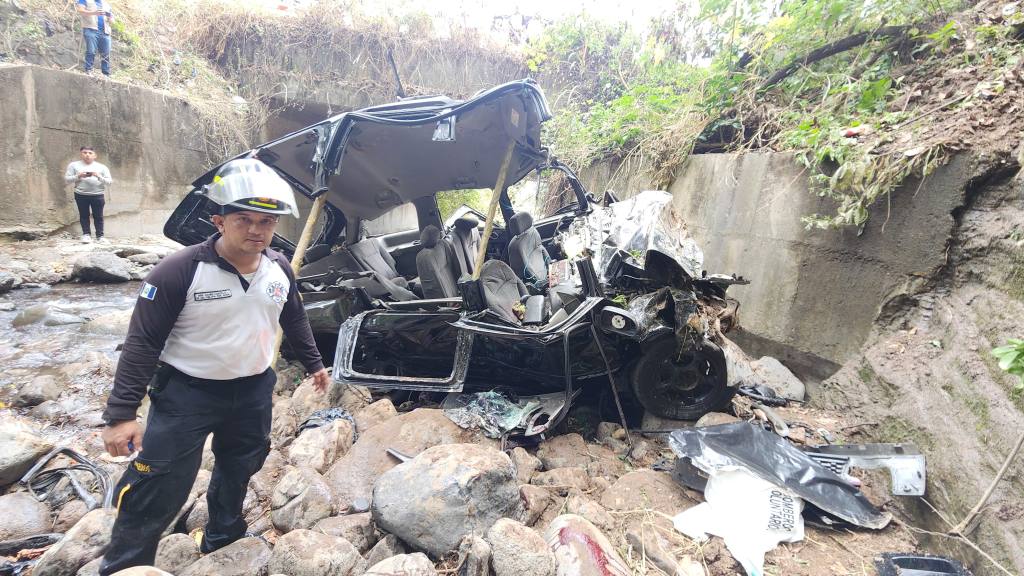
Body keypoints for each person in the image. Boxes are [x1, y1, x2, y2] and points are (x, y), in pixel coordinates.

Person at [97, 158, 330, 575]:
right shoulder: (179, 271)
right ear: (218, 221)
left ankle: (223, 534)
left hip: (253, 389)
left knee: (240, 464)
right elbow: (142, 343)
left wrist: (315, 363)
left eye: (267, 222)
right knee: (158, 482)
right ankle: (124, 565)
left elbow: (293, 317)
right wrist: (121, 415)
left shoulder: (279, 269)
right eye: (245, 220)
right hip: (186, 392)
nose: (257, 231)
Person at [64, 146, 113, 244]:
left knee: (98, 216)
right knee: (84, 215)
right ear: (81, 154)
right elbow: (67, 179)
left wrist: (98, 176)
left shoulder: (102, 167)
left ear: (95, 155)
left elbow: (109, 182)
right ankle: (86, 235)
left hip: (98, 195)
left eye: (90, 153)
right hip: (81, 194)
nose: (87, 155)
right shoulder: (73, 165)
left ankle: (100, 236)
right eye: (84, 152)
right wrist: (78, 176)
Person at [75, 0, 113, 76]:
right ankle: (88, 70)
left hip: (105, 31)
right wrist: (94, 13)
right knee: (91, 50)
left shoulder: (106, 5)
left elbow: (112, 21)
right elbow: (80, 10)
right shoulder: (85, 0)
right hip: (90, 29)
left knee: (106, 53)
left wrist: (109, 17)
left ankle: (106, 74)